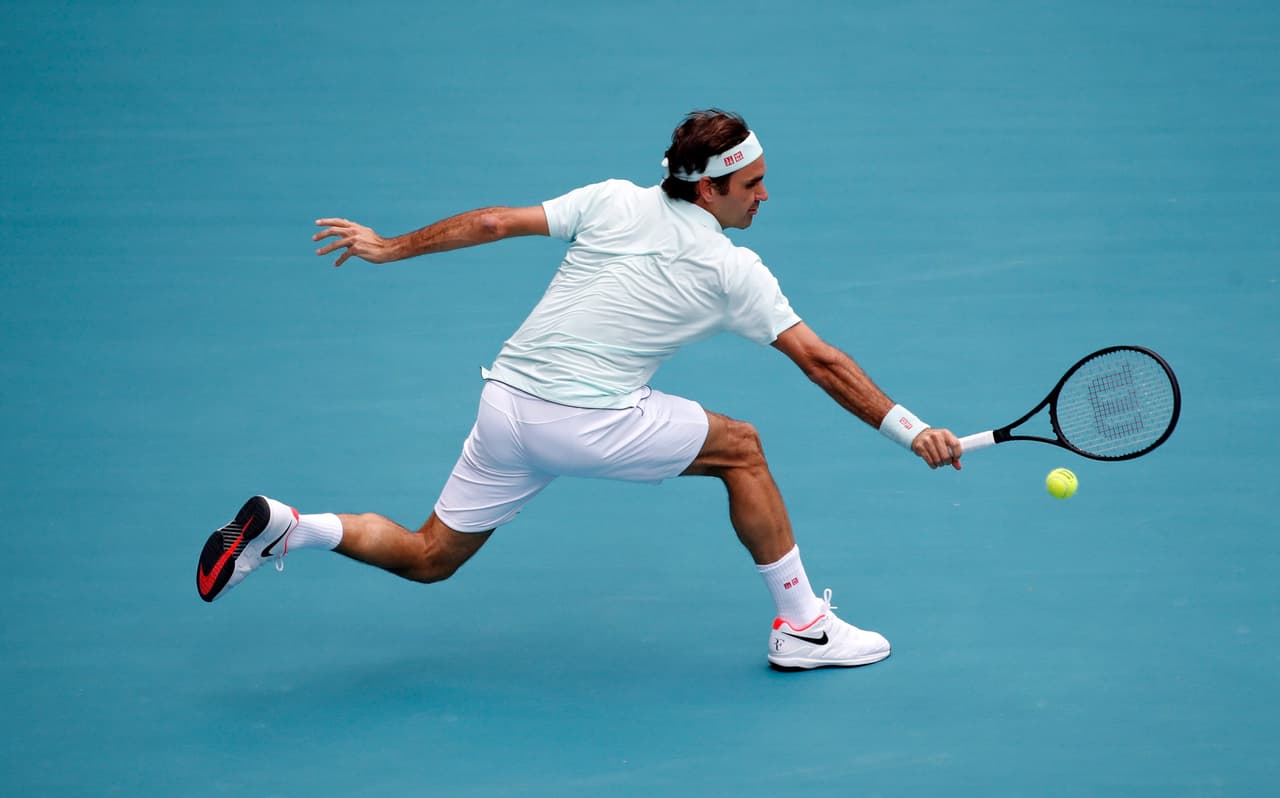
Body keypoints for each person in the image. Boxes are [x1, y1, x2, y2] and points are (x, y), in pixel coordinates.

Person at [195, 109, 962, 671]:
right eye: (753, 185)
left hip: (505, 407)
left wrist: (390, 247)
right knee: (743, 450)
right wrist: (911, 428)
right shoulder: (734, 273)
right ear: (711, 191)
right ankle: (803, 627)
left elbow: (495, 222)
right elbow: (821, 363)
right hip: (587, 420)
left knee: (430, 556)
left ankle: (293, 526)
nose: (765, 197)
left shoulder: (610, 200)